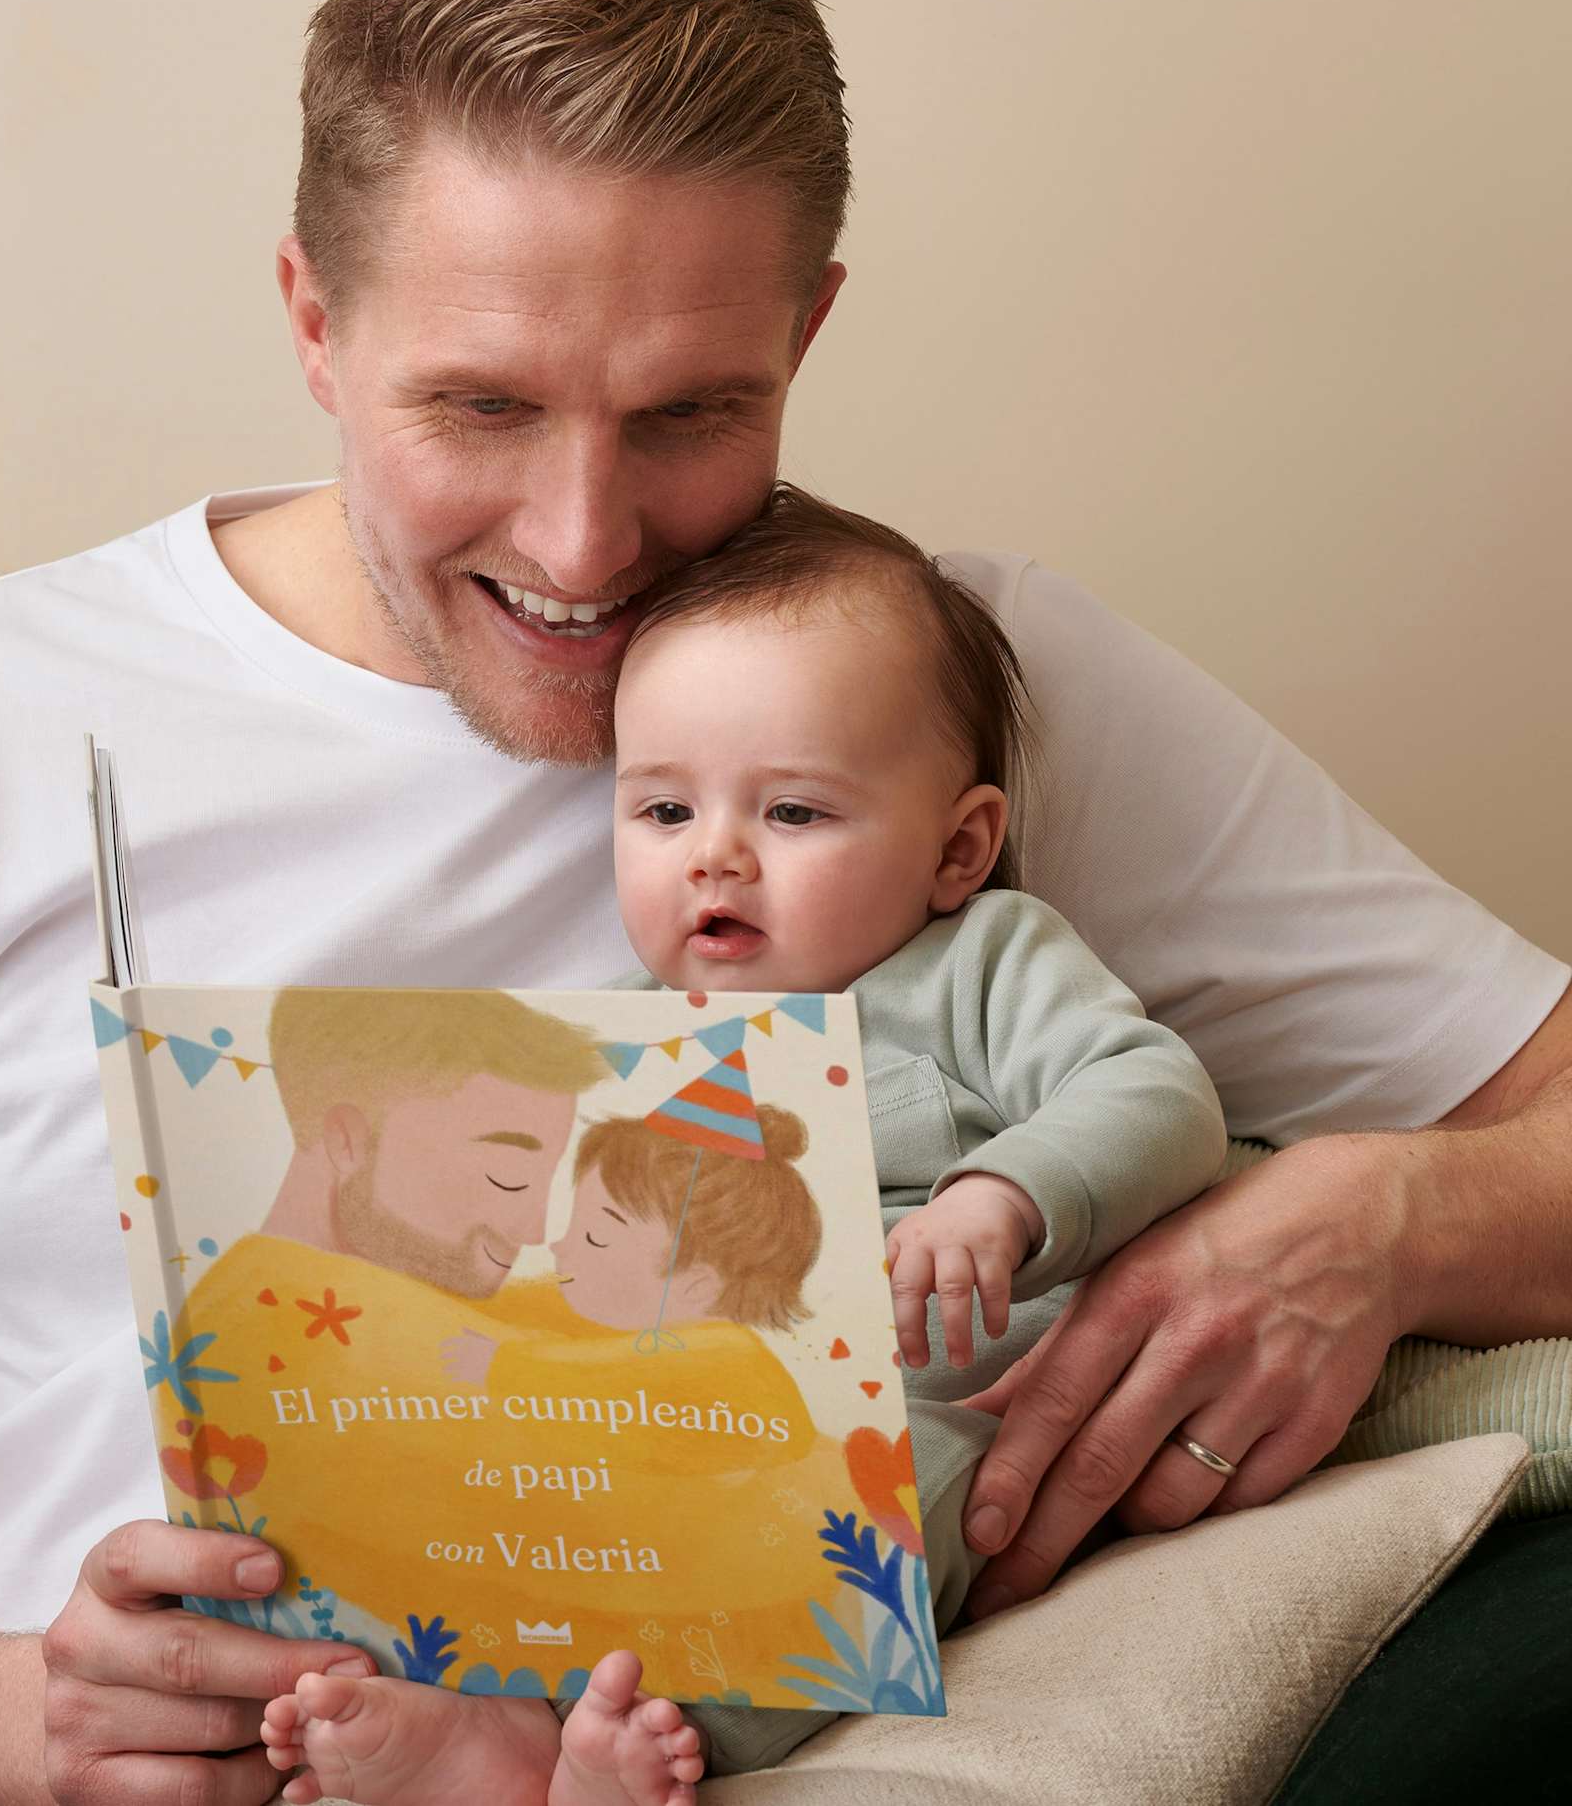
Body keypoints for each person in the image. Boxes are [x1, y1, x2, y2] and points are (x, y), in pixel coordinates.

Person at [0, 0, 1566, 1802]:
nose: (584, 546)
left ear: (806, 331)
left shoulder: (938, 687)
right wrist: (24, 1729)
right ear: (313, 319)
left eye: (690, 414)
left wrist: (1384, 1222)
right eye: (482, 406)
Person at [261, 484, 1229, 1804]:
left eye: (793, 814)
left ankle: (649, 1732)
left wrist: (1003, 1196)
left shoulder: (975, 965)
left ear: (958, 849)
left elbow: (1159, 1092)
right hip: (687, 1407)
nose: (714, 860)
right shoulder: (630, 1033)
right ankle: (489, 1713)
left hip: (930, 1407)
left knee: (867, 1513)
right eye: (664, 814)